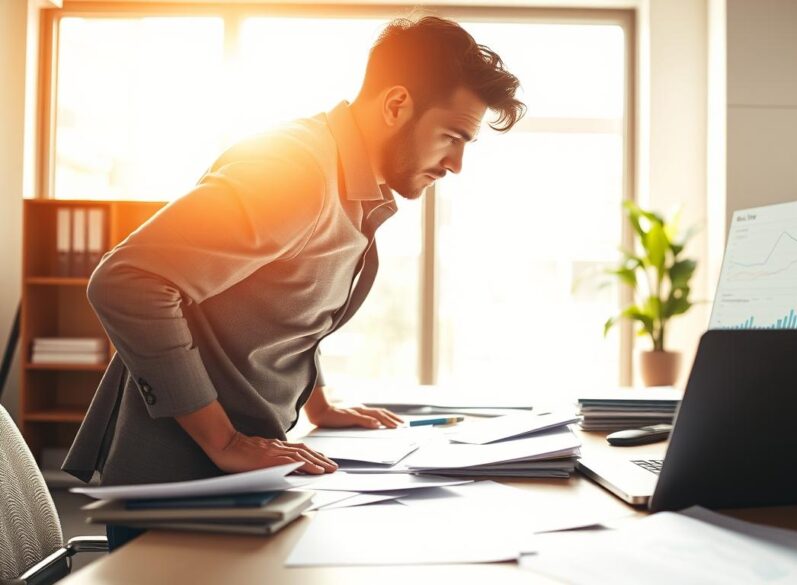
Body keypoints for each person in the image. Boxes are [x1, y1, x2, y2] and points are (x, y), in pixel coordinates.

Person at [62, 15, 525, 489]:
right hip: (181, 479)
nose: (456, 165)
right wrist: (222, 440)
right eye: (452, 136)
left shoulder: (354, 185)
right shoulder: (295, 171)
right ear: (397, 104)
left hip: (239, 473)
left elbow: (281, 302)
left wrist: (319, 403)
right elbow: (128, 281)